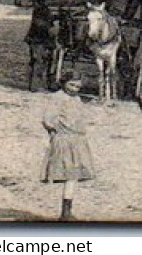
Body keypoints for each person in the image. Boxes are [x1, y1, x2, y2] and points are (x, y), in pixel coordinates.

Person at [43, 78, 96, 221]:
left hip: (77, 139)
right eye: (71, 85)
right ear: (64, 82)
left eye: (78, 87)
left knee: (73, 175)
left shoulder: (77, 99)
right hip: (64, 139)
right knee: (67, 173)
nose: (74, 89)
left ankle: (66, 211)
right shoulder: (57, 97)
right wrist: (56, 132)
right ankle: (65, 212)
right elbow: (47, 119)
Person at [26, 0, 58, 92]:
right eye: (49, 0)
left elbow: (48, 19)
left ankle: (45, 84)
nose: (50, 2)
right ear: (44, 0)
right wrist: (49, 27)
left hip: (44, 39)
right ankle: (35, 86)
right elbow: (38, 23)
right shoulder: (39, 9)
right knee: (38, 61)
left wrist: (56, 17)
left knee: (46, 61)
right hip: (37, 39)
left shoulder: (44, 9)